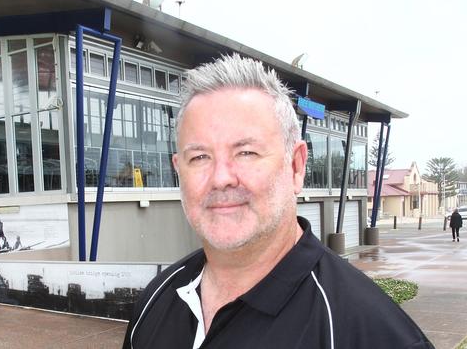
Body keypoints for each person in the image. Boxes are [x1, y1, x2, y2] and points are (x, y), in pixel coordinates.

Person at [123, 54, 433, 348]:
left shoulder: (369, 334)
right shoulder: (155, 301)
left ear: (296, 166)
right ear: (179, 171)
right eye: (200, 156)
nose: (221, 178)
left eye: (246, 153)